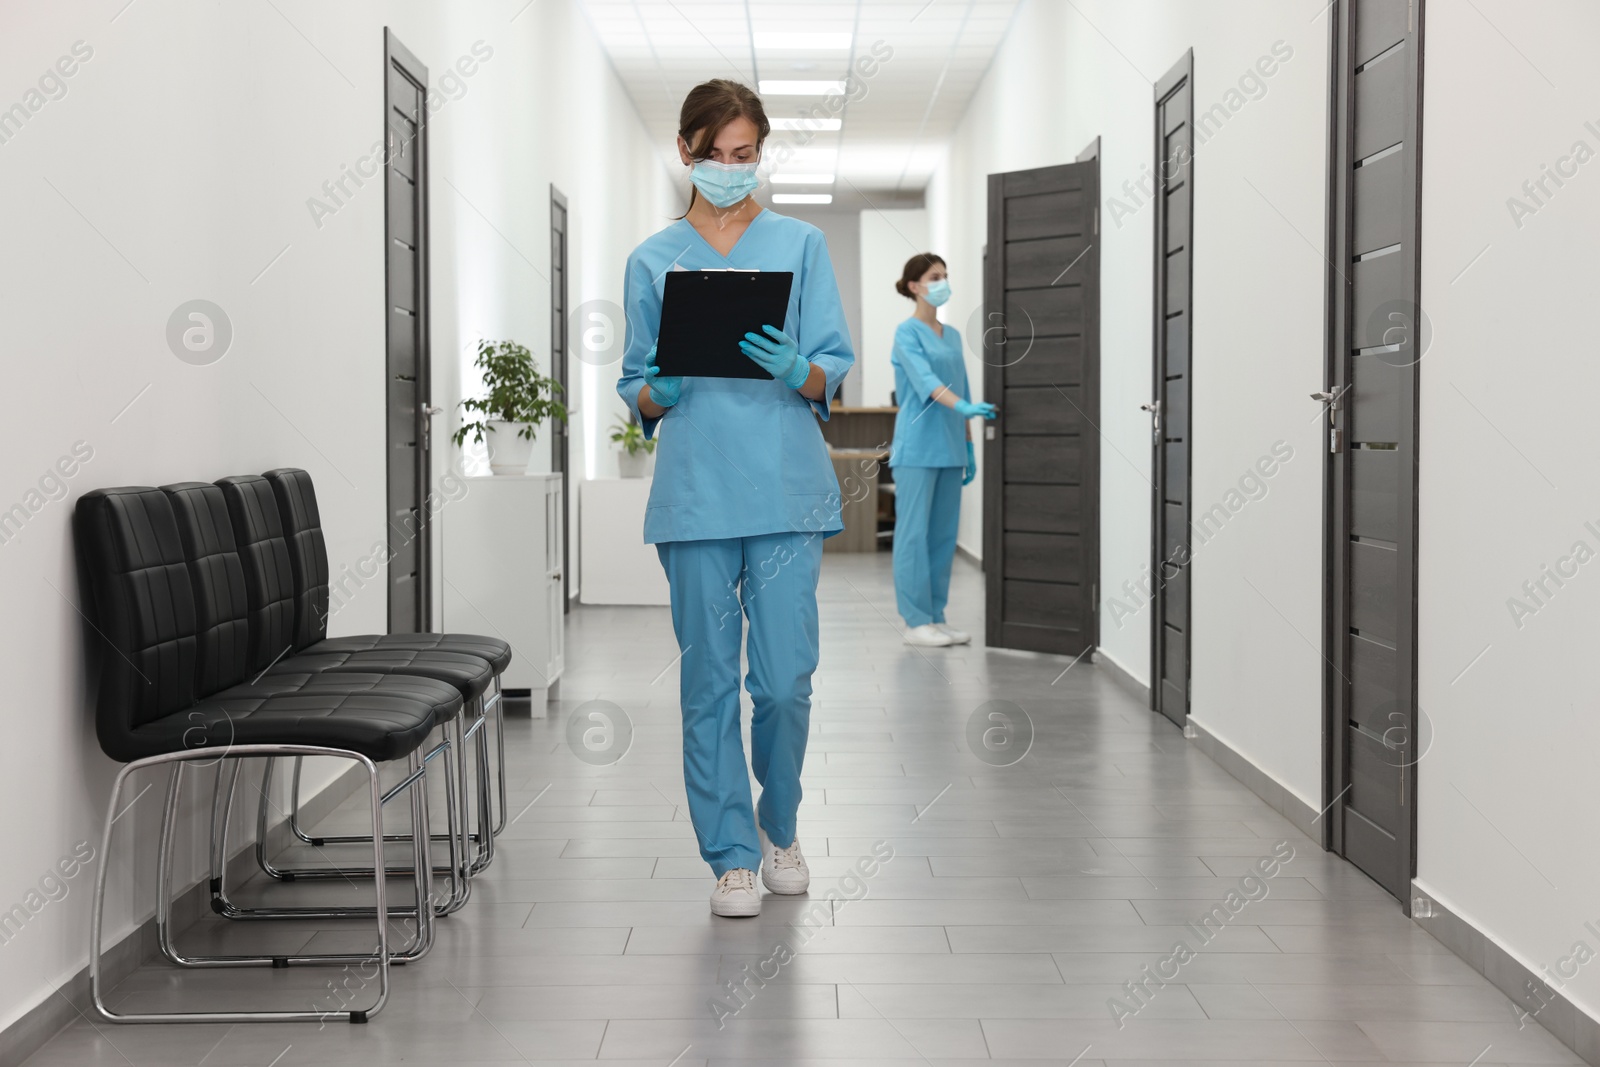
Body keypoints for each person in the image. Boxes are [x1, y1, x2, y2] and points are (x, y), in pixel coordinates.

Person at [615, 78, 855, 917]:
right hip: (696, 496)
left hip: (788, 490)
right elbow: (634, 389)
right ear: (685, 150)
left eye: (745, 155)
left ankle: (779, 825)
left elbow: (831, 369)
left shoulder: (801, 245)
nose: (729, 168)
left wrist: (797, 368)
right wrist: (662, 386)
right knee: (710, 682)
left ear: (761, 153)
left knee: (785, 680)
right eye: (715, 154)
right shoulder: (652, 259)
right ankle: (729, 855)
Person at [888, 253, 997, 647]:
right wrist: (964, 407)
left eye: (946, 276)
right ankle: (915, 621)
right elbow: (927, 381)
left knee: (941, 536)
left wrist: (968, 444)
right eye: (935, 277)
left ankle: (936, 615)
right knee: (913, 536)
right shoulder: (906, 333)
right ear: (915, 286)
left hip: (951, 447)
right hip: (917, 448)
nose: (942, 283)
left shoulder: (950, 335)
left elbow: (962, 388)